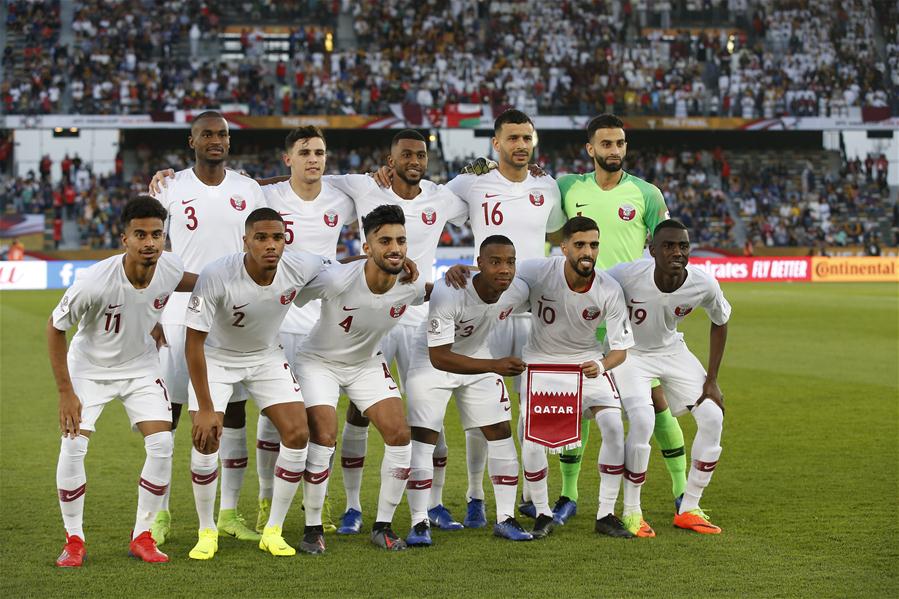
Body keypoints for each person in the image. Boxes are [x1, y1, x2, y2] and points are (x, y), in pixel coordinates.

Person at [324, 130, 469, 533]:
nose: (415, 160)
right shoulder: (363, 186)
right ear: (390, 160)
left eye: (421, 154)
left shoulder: (441, 197)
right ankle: (353, 507)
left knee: (429, 412)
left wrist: (512, 168)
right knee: (358, 410)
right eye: (406, 154)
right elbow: (303, 178)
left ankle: (435, 504)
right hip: (374, 317)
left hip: (421, 316)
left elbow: (483, 191)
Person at [48, 196, 196, 567]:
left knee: (162, 442)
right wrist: (66, 392)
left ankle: (142, 536)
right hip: (89, 370)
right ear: (123, 239)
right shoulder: (94, 282)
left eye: (157, 234)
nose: (150, 242)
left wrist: (154, 320)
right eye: (141, 234)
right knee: (73, 446)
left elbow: (177, 288)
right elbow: (55, 328)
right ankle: (75, 540)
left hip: (140, 366)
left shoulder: (170, 267)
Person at [552, 113, 681, 529]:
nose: (615, 151)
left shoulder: (646, 193)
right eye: (606, 144)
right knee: (576, 404)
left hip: (630, 313)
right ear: (590, 149)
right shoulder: (567, 187)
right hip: (579, 310)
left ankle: (682, 490)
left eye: (620, 144)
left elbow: (668, 247)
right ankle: (569, 495)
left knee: (654, 401)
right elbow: (549, 234)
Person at [149, 111, 267, 545]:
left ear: (229, 142)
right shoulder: (169, 187)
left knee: (232, 413)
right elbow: (151, 252)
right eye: (206, 135)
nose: (215, 140)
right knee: (171, 414)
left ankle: (230, 513)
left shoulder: (247, 188)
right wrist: (151, 313)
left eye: (222, 134)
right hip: (181, 313)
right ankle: (158, 516)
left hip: (234, 316)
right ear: (191, 141)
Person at [443, 109, 566, 527]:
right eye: (512, 138)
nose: (521, 145)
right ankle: (475, 494)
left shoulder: (546, 185)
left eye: (527, 138)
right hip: (490, 311)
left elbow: (557, 231)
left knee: (534, 408)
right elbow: (428, 204)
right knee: (485, 411)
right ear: (495, 144)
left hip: (537, 314)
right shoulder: (471, 182)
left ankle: (534, 497)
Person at [184, 207, 330, 559]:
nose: (270, 245)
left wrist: (399, 263)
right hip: (217, 357)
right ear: (245, 240)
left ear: (285, 241)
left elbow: (349, 266)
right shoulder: (217, 274)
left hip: (265, 356)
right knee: (206, 439)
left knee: (298, 434)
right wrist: (205, 408)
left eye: (277, 238)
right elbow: (193, 343)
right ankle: (207, 530)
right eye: (261, 238)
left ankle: (273, 530)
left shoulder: (300, 265)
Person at [292, 205, 427, 553]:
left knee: (400, 435)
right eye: (384, 241)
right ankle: (312, 529)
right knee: (324, 434)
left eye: (400, 240)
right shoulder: (339, 278)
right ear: (367, 248)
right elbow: (298, 293)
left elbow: (434, 291)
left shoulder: (409, 287)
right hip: (318, 361)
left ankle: (382, 526)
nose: (395, 247)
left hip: (365, 363)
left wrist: (461, 271)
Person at [253, 126, 356, 534]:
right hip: (277, 322)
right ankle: (265, 500)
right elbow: (231, 190)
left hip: (324, 325)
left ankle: (318, 501)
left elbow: (376, 193)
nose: (313, 158)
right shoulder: (270, 197)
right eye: (304, 151)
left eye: (319, 152)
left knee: (321, 419)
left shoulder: (341, 199)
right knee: (271, 417)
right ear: (288, 159)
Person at [404, 235, 533, 545]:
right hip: (431, 362)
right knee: (424, 438)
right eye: (495, 261)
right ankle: (419, 521)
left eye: (510, 262)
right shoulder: (450, 291)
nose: (505, 269)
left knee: (500, 432)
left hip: (479, 356)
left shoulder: (518, 289)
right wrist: (494, 366)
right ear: (479, 264)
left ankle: (505, 517)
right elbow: (440, 356)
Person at [514, 216, 635, 538]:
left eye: (594, 245)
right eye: (580, 244)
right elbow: (497, 275)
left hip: (587, 364)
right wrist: (463, 271)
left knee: (612, 425)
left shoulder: (609, 288)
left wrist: (604, 365)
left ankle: (606, 512)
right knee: (530, 431)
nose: (588, 252)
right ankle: (541, 511)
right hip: (541, 364)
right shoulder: (538, 270)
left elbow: (620, 349)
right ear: (564, 246)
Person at [607, 219, 730, 534]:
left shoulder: (703, 283)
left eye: (683, 246)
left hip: (672, 351)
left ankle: (689, 508)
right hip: (630, 355)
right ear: (652, 250)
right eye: (669, 245)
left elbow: (720, 320)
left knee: (713, 417)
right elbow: (591, 291)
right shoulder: (626, 274)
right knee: (643, 421)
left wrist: (711, 378)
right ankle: (632, 512)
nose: (677, 251)